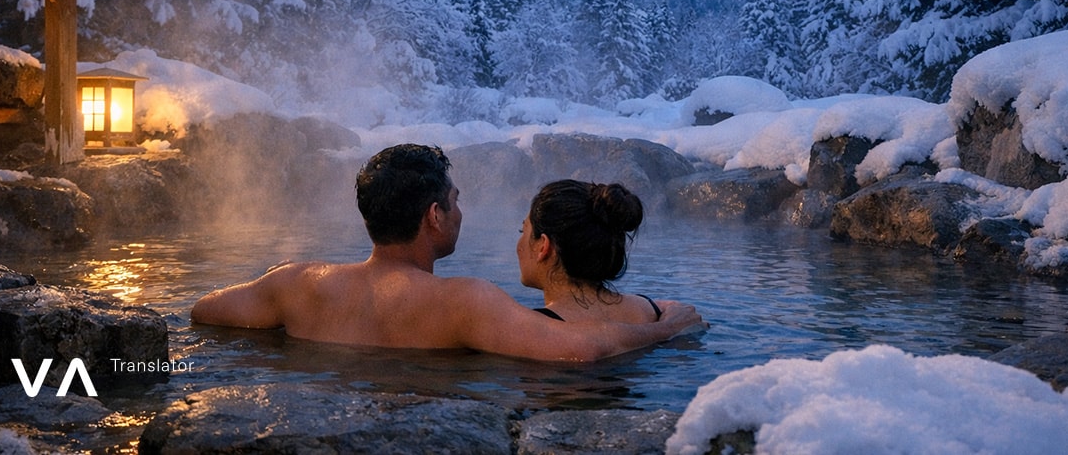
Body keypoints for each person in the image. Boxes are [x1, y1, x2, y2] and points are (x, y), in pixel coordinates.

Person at [191, 143, 703, 361]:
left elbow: (203, 312)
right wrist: (666, 326)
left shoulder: (296, 283)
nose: (461, 212)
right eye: (455, 202)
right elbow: (578, 350)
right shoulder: (463, 303)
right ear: (433, 216)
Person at [517, 179, 662, 323]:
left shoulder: (534, 330)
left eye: (522, 231)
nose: (518, 245)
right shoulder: (649, 310)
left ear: (543, 246)